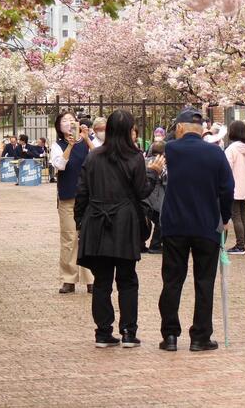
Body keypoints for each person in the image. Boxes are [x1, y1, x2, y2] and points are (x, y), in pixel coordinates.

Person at [74, 110, 165, 348]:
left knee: (102, 281)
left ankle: (103, 332)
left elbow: (81, 192)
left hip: (97, 220)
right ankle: (128, 332)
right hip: (124, 222)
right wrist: (153, 173)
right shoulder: (134, 157)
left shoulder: (94, 157)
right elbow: (141, 192)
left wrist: (80, 223)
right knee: (127, 279)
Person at [157, 108, 234, 352]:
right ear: (201, 130)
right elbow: (227, 188)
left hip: (174, 225)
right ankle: (200, 336)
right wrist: (225, 217)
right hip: (206, 224)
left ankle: (170, 335)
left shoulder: (170, 149)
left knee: (172, 281)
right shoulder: (214, 152)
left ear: (179, 128)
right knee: (204, 281)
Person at [50, 111, 94, 294]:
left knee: (90, 237)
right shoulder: (57, 145)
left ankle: (92, 278)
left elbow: (101, 156)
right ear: (59, 127)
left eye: (71, 120)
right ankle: (69, 279)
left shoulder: (88, 141)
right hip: (68, 197)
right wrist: (69, 146)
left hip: (90, 196)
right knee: (69, 237)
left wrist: (86, 138)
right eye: (64, 121)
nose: (68, 123)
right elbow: (60, 165)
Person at [224, 120, 245, 254]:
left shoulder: (232, 149)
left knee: (236, 216)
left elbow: (226, 168)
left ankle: (240, 245)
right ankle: (244, 243)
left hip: (234, 186)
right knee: (242, 215)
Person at [144, 141, 168, 254]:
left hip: (143, 198)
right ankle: (155, 245)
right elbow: (166, 180)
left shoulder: (144, 161)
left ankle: (140, 245)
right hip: (156, 199)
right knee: (161, 221)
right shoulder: (161, 163)